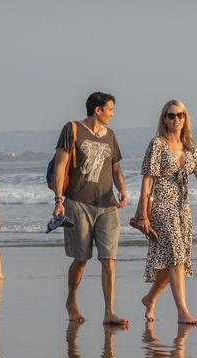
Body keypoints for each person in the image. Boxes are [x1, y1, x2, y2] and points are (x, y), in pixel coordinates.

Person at [136, 100, 197, 326]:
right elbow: (147, 179)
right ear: (164, 119)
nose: (176, 119)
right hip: (161, 205)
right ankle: (182, 312)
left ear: (185, 118)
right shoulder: (157, 144)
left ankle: (150, 298)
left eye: (180, 115)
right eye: (171, 115)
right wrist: (142, 214)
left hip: (182, 207)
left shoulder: (189, 145)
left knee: (177, 258)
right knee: (176, 255)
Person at [50, 92, 129, 325]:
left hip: (107, 205)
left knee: (109, 259)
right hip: (77, 203)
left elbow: (116, 170)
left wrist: (123, 189)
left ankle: (109, 311)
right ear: (98, 110)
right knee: (81, 258)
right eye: (110, 109)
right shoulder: (72, 129)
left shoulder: (111, 136)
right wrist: (58, 200)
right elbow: (60, 166)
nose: (113, 113)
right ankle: (71, 299)